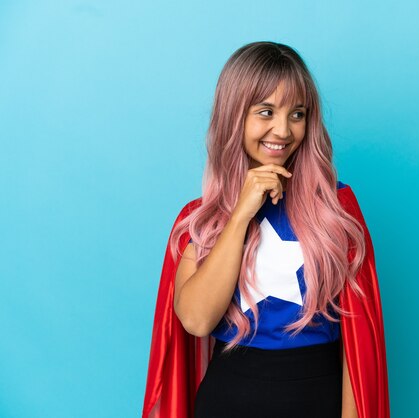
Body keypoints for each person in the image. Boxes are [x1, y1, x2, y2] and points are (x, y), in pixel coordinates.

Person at [142, 41, 390, 418]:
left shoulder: (336, 209)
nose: (283, 129)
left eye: (297, 114)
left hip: (317, 397)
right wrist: (241, 213)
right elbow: (196, 320)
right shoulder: (200, 218)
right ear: (234, 116)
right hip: (227, 401)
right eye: (266, 111)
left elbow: (358, 350)